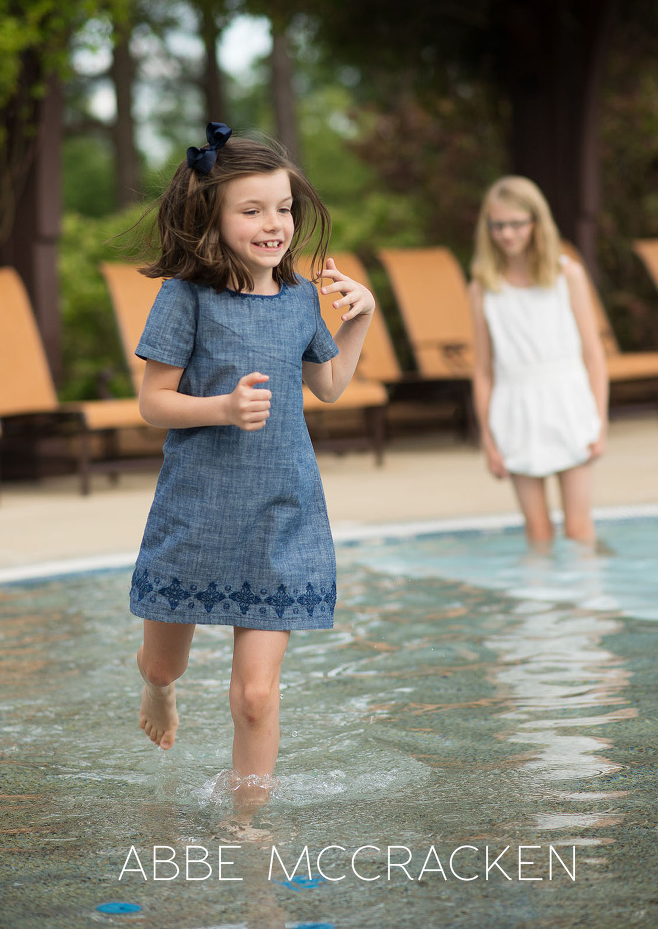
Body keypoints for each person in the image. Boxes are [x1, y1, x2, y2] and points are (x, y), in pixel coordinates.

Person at [129, 122, 375, 811]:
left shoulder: (298, 299)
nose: (275, 224)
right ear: (212, 217)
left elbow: (329, 386)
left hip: (280, 515)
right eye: (253, 210)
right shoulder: (185, 297)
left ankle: (248, 824)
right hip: (198, 511)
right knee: (164, 662)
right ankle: (156, 687)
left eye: (284, 208)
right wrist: (223, 408)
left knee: (256, 696)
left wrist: (360, 318)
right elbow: (152, 402)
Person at [468, 175, 608, 548]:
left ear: (536, 222)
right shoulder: (483, 287)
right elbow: (483, 371)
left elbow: (593, 355)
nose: (507, 234)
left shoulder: (567, 275)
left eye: (516, 224)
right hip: (514, 410)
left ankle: (588, 587)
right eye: (498, 225)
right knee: (538, 534)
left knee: (578, 529)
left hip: (569, 404)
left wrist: (600, 421)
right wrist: (488, 439)